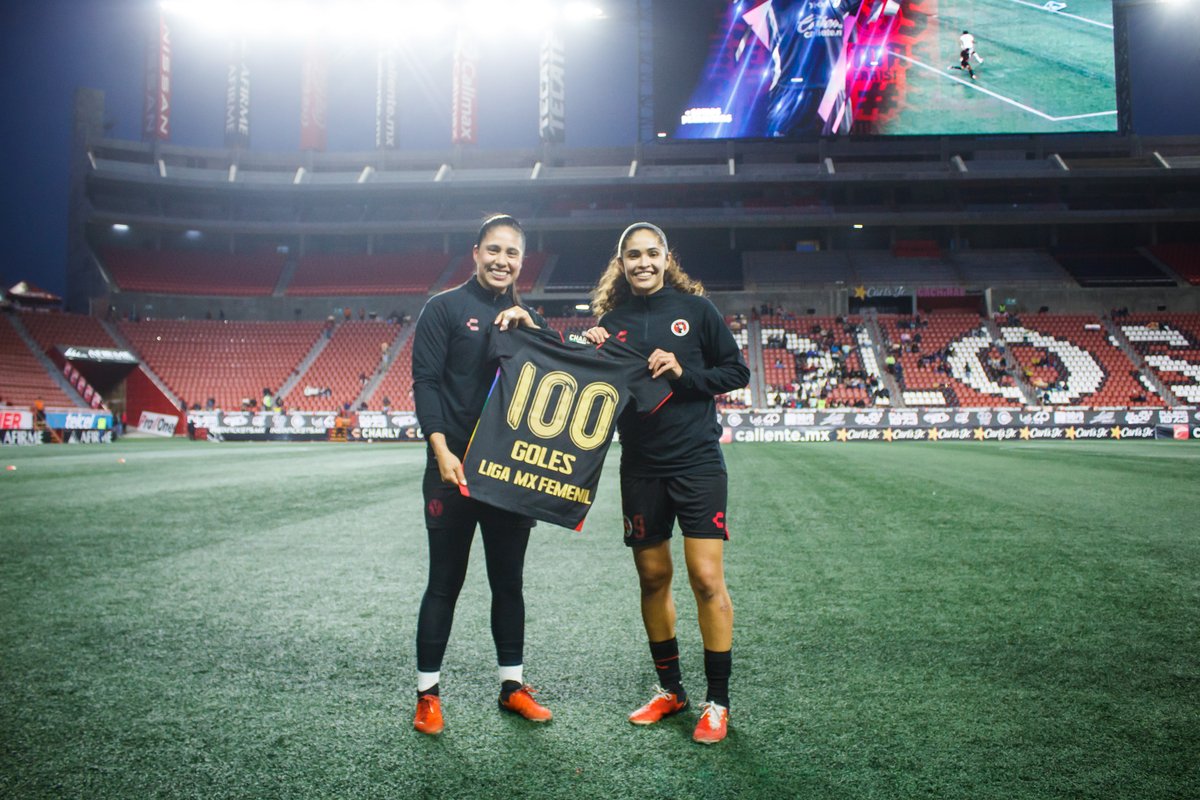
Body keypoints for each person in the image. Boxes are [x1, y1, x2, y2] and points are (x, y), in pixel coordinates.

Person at [584, 222, 750, 745]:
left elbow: (736, 372)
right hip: (640, 466)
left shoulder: (698, 312)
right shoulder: (612, 322)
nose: (643, 263)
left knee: (705, 579)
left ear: (665, 257)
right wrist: (592, 356)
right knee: (653, 578)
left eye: (651, 254)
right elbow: (601, 395)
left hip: (698, 463)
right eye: (632, 255)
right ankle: (671, 690)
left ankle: (717, 702)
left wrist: (682, 372)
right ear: (622, 263)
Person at [409, 214, 551, 736]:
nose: (502, 261)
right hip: (450, 469)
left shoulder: (525, 317)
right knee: (444, 583)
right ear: (475, 252)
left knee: (508, 583)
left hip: (509, 475)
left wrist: (536, 329)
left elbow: (561, 371)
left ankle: (512, 686)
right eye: (494, 250)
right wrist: (441, 450)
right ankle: (428, 694)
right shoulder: (443, 308)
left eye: (512, 253)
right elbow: (425, 383)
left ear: (521, 261)